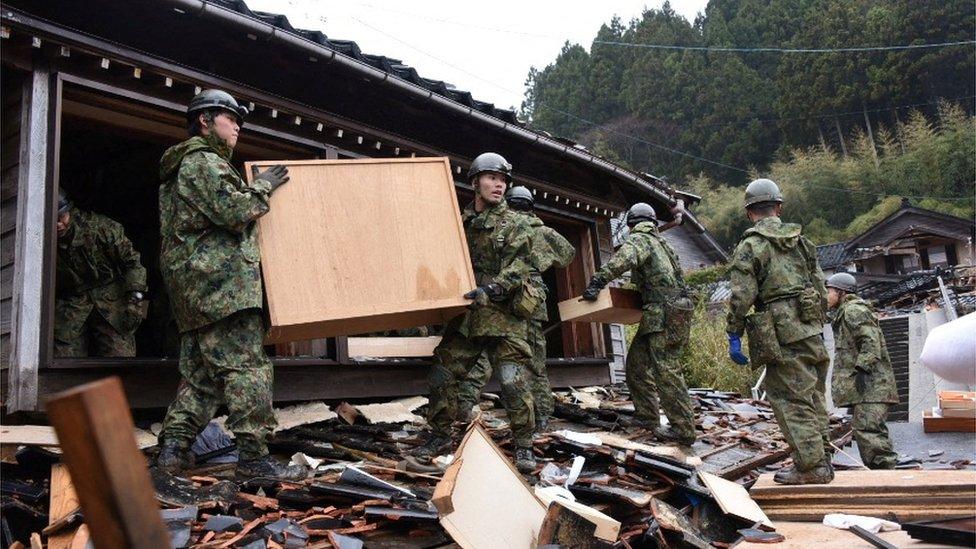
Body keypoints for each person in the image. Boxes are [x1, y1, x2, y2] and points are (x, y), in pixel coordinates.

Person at [154, 89, 303, 480]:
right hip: (223, 288)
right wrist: (264, 186)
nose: (237, 125)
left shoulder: (180, 167)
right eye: (230, 117)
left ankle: (172, 451)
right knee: (247, 369)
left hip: (195, 292)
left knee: (201, 380)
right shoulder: (202, 161)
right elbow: (236, 211)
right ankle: (254, 460)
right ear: (205, 121)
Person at [422, 153, 538, 472]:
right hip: (470, 315)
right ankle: (439, 434)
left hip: (504, 315)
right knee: (442, 372)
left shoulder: (516, 222)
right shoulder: (462, 222)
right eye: (491, 178)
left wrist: (492, 288)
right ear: (475, 182)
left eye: (503, 180)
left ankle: (525, 447)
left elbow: (519, 266)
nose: (499, 185)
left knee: (513, 382)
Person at [726, 178, 833, 485]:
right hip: (810, 328)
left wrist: (734, 333)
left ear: (750, 213)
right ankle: (821, 458)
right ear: (779, 207)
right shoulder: (803, 242)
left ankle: (812, 466)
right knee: (813, 395)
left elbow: (741, 295)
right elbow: (821, 288)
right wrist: (814, 320)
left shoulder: (751, 246)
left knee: (789, 399)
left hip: (779, 332)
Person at [455, 186, 576, 431]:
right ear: (531, 205)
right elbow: (567, 255)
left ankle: (465, 404)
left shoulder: (502, 225)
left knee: (485, 354)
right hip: (529, 300)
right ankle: (540, 418)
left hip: (496, 296)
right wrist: (542, 260)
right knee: (534, 363)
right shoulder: (542, 231)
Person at [582, 203, 697, 446]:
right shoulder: (663, 244)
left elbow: (622, 260)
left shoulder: (640, 239)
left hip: (663, 313)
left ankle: (684, 429)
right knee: (635, 365)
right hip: (671, 312)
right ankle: (647, 416)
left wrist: (596, 283)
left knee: (666, 371)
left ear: (632, 224)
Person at [54, 190, 148, 357]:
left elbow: (133, 263)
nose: (58, 224)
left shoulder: (101, 229)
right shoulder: (43, 240)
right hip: (73, 306)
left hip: (113, 302)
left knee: (120, 359)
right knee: (63, 360)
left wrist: (135, 299)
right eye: (52, 220)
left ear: (69, 211)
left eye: (60, 217)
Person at [825, 272, 898, 469]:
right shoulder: (846, 312)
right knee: (865, 429)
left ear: (841, 292)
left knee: (869, 430)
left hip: (872, 384)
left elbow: (870, 340)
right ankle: (882, 473)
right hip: (868, 385)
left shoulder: (853, 310)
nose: (826, 296)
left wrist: (863, 368)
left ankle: (886, 475)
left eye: (829, 291)